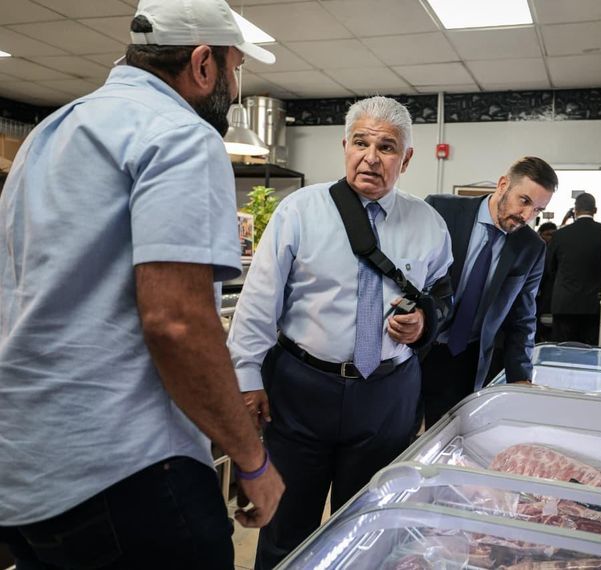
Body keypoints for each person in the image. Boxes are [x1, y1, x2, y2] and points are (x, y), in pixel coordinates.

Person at [0, 1, 284, 568]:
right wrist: (252, 461)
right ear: (203, 64)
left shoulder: (49, 133)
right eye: (233, 69)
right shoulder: (181, 133)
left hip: (25, 471)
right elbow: (176, 323)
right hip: (125, 471)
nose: (233, 85)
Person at [227, 96, 453, 568]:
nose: (371, 156)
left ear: (406, 159)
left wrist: (422, 323)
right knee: (287, 531)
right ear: (344, 146)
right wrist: (247, 378)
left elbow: (441, 300)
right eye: (361, 142)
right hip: (302, 390)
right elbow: (258, 303)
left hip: (386, 396)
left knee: (368, 531)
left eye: (387, 147)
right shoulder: (300, 212)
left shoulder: (429, 224)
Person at [422, 157, 557, 426]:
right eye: (525, 201)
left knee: (447, 439)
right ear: (503, 184)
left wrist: (520, 376)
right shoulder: (441, 210)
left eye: (538, 210)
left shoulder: (531, 247)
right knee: (396, 435)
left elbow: (523, 317)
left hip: (465, 359)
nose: (527, 216)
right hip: (417, 345)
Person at [547, 193, 601, 346]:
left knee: (562, 351)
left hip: (564, 304)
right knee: (590, 352)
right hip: (594, 305)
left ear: (575, 210)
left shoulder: (560, 234)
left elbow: (549, 267)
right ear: (595, 210)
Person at [535, 222, 558, 341]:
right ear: (540, 234)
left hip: (550, 300)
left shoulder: (557, 254)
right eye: (548, 235)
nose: (550, 238)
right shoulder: (535, 251)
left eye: (553, 235)